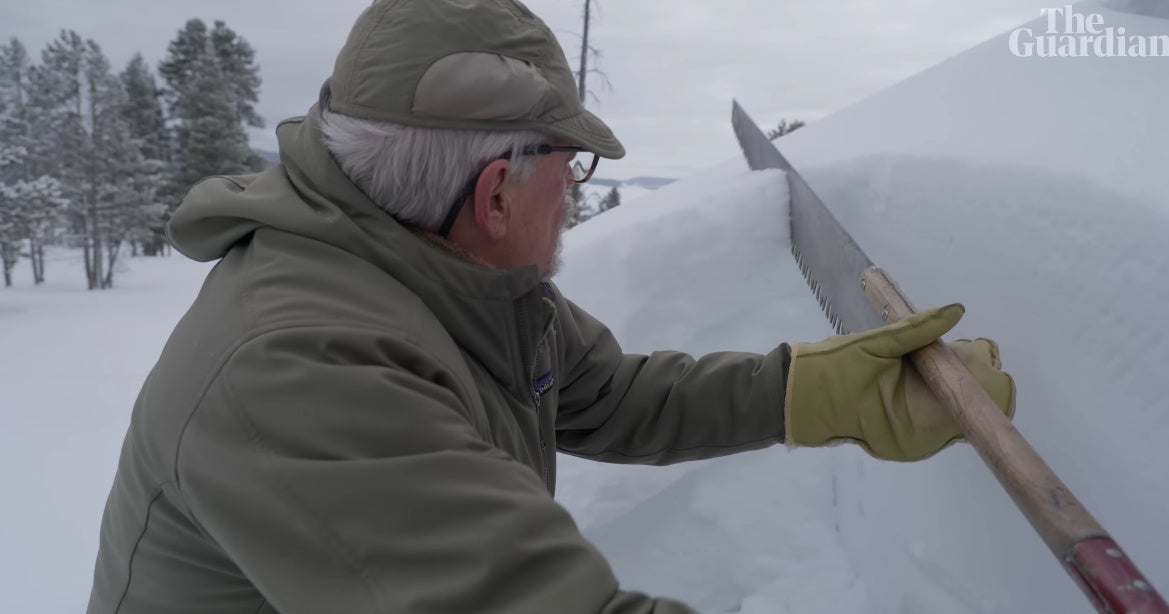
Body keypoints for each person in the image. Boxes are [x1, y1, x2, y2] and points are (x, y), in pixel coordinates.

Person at [86, 1, 1015, 612]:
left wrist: (813, 392)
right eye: (570, 173)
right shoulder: (298, 369)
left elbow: (608, 396)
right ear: (495, 194)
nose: (573, 197)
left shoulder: (451, 279)